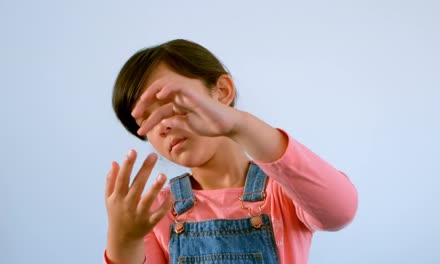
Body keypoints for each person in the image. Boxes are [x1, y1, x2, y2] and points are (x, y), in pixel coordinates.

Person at [104, 39, 358, 264]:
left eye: (170, 103)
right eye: (145, 120)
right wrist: (123, 239)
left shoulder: (284, 192)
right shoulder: (155, 212)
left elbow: (340, 211)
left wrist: (240, 123)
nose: (163, 126)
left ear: (222, 91)